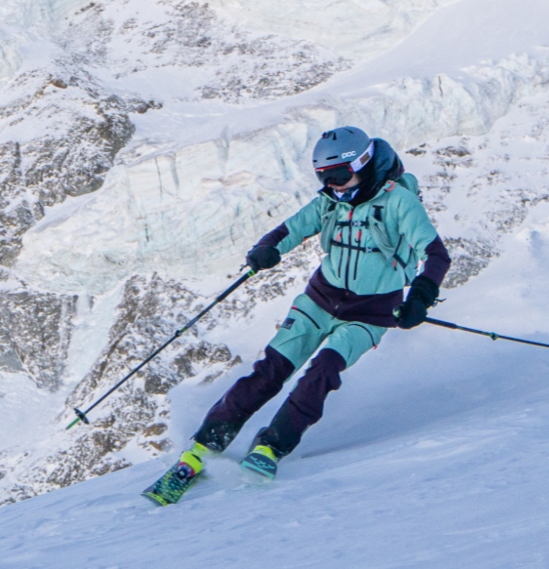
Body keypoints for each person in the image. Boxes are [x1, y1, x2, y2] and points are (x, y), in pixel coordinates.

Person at [160, 126, 452, 495]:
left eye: (341, 175)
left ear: (363, 164)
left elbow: (436, 254)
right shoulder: (330, 201)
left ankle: (271, 445)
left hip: (369, 313)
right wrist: (266, 250)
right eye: (325, 178)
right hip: (319, 300)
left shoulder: (398, 202)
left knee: (323, 371)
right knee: (272, 369)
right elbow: (290, 230)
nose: (335, 185)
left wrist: (420, 298)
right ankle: (205, 443)